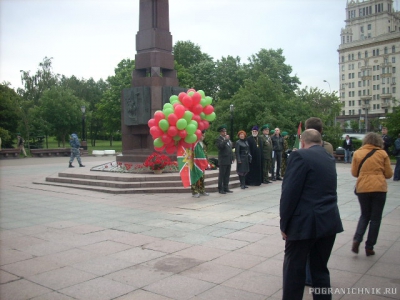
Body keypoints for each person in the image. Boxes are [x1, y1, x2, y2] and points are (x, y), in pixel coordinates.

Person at [280, 129, 343, 300]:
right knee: (320, 270)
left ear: (302, 142)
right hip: (328, 221)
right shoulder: (329, 157)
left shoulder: (300, 156)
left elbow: (289, 193)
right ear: (321, 142)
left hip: (304, 224)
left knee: (294, 271)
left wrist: (284, 224)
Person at [351, 132, 393, 256]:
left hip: (363, 188)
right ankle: (369, 246)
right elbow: (389, 174)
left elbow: (354, 173)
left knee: (364, 215)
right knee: (375, 219)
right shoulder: (382, 153)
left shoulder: (358, 153)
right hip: (379, 188)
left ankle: (357, 239)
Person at [215, 125, 234, 194]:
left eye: (225, 131)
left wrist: (233, 157)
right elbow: (220, 147)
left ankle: (226, 187)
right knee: (222, 175)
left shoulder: (228, 139)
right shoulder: (219, 139)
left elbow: (230, 149)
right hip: (223, 160)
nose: (225, 132)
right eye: (223, 131)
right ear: (220, 132)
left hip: (228, 160)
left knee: (227, 175)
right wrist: (225, 140)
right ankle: (220, 188)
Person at [191, 131, 209, 198]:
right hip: (195, 164)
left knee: (202, 177)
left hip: (201, 164)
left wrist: (207, 162)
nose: (203, 137)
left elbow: (205, 154)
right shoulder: (194, 143)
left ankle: (202, 190)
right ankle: (195, 192)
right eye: (202, 135)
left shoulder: (203, 144)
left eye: (204, 135)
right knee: (195, 178)